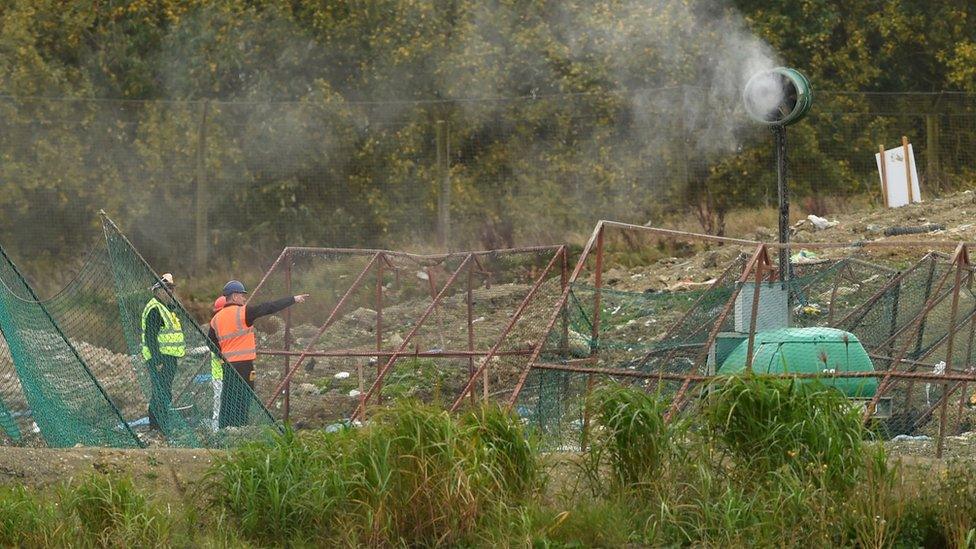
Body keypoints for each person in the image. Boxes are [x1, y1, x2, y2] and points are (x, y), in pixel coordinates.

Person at [209, 280, 308, 428]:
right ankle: (240, 428)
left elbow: (210, 342)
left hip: (228, 366)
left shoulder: (216, 319)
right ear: (235, 296)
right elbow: (268, 307)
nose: (244, 299)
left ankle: (226, 428)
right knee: (244, 397)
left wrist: (223, 356)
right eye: (242, 295)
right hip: (244, 365)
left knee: (229, 397)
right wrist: (292, 299)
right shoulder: (243, 312)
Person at [140, 273, 185, 431]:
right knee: (160, 394)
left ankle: (161, 426)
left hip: (168, 357)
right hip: (160, 359)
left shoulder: (165, 308)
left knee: (165, 392)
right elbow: (151, 337)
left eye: (171, 289)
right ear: (157, 290)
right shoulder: (154, 309)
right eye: (167, 289)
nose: (170, 292)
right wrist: (158, 360)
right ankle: (156, 428)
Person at [209, 295, 226, 432]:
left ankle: (223, 429)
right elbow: (213, 345)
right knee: (219, 405)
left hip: (225, 374)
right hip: (219, 375)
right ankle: (216, 431)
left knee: (221, 404)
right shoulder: (217, 327)